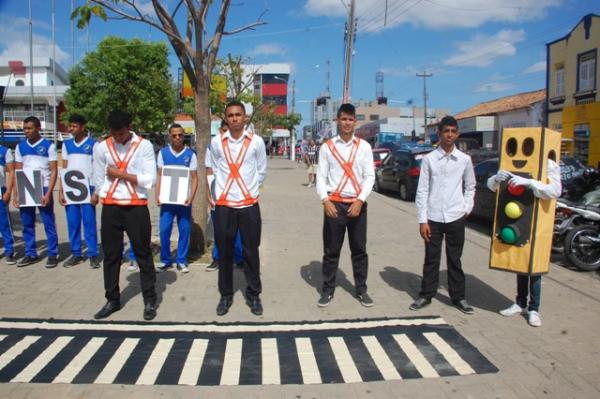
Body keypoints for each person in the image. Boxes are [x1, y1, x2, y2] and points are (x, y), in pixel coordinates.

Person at [92, 110, 157, 321]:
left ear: (130, 126)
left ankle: (149, 299)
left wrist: (121, 174)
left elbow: (149, 180)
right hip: (111, 207)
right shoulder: (102, 148)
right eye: (114, 133)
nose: (118, 137)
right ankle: (112, 299)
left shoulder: (144, 146)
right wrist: (101, 194)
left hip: (136, 207)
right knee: (111, 256)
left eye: (121, 133)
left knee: (143, 254)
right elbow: (99, 176)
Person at [411, 115, 476, 314]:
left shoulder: (464, 160)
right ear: (439, 134)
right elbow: (422, 190)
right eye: (445, 131)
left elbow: (470, 186)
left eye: (452, 131)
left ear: (457, 134)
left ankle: (459, 297)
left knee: (455, 259)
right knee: (431, 258)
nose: (449, 135)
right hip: (434, 218)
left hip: (456, 216)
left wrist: (466, 208)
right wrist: (422, 220)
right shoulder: (430, 159)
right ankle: (426, 294)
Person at [488, 160, 561, 327]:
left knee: (535, 268)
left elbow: (555, 191)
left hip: (537, 222)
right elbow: (492, 187)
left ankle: (534, 309)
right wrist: (495, 179)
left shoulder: (548, 163)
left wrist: (531, 183)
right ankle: (520, 303)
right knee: (520, 262)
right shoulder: (512, 157)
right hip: (517, 219)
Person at [316, 103, 375, 308]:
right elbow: (321, 177)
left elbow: (369, 177)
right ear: (337, 121)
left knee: (359, 250)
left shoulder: (364, 147)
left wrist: (360, 200)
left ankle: (361, 290)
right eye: (343, 119)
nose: (347, 123)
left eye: (351, 119)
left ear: (355, 122)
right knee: (331, 251)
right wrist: (325, 200)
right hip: (334, 205)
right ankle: (327, 290)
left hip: (357, 205)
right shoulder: (328, 147)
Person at [210, 101, 267, 316]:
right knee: (224, 254)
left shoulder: (257, 142)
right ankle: (226, 295)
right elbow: (215, 169)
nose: (234, 118)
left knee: (251, 252)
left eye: (238, 115)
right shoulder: (217, 143)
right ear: (226, 118)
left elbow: (261, 170)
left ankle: (253, 295)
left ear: (245, 118)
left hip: (249, 206)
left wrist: (249, 191)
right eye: (230, 115)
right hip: (224, 207)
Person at [12, 116, 59, 268]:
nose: (27, 131)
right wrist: (16, 193)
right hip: (26, 186)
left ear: (38, 128)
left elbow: (53, 171)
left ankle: (52, 253)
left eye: (30, 128)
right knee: (27, 223)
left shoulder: (48, 146)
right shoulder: (20, 147)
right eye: (25, 128)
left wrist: (48, 193)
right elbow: (17, 170)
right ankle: (31, 253)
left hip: (43, 187)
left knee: (48, 222)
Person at [155, 124, 198, 274]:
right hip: (167, 200)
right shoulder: (163, 153)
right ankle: (165, 260)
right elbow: (159, 175)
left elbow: (195, 178)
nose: (177, 138)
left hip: (184, 201)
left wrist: (191, 197)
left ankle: (181, 260)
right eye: (174, 135)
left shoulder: (191, 154)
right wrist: (157, 194)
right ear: (169, 136)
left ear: (183, 135)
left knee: (184, 230)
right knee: (164, 230)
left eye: (180, 135)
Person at [59, 114, 100, 268]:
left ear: (83, 127)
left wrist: (96, 191)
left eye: (74, 126)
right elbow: (64, 168)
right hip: (71, 188)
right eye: (70, 126)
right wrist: (61, 190)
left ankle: (93, 254)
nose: (71, 129)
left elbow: (97, 169)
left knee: (89, 222)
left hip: (88, 187)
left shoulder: (93, 145)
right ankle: (76, 253)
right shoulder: (66, 144)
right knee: (73, 222)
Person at [206, 119, 243, 272]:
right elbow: (209, 172)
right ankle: (217, 258)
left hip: (237, 197)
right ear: (219, 130)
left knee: (239, 230)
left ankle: (239, 258)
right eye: (223, 131)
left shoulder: (242, 148)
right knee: (219, 229)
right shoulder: (212, 147)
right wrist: (209, 194)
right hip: (218, 196)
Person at [0, 143, 15, 265]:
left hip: (1, 190)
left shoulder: (5, 151)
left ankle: (9, 251)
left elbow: (11, 171)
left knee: (4, 223)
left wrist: (9, 191)